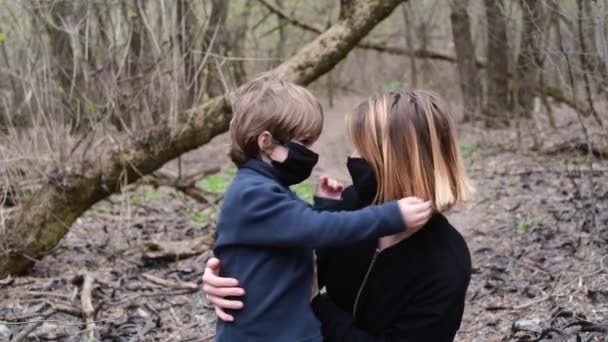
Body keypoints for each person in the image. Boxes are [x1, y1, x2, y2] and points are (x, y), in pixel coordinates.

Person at [203, 89, 473, 341]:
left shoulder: (446, 263)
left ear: (397, 163)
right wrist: (227, 276)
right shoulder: (351, 208)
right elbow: (288, 251)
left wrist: (317, 308)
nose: (352, 156)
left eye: (362, 149)